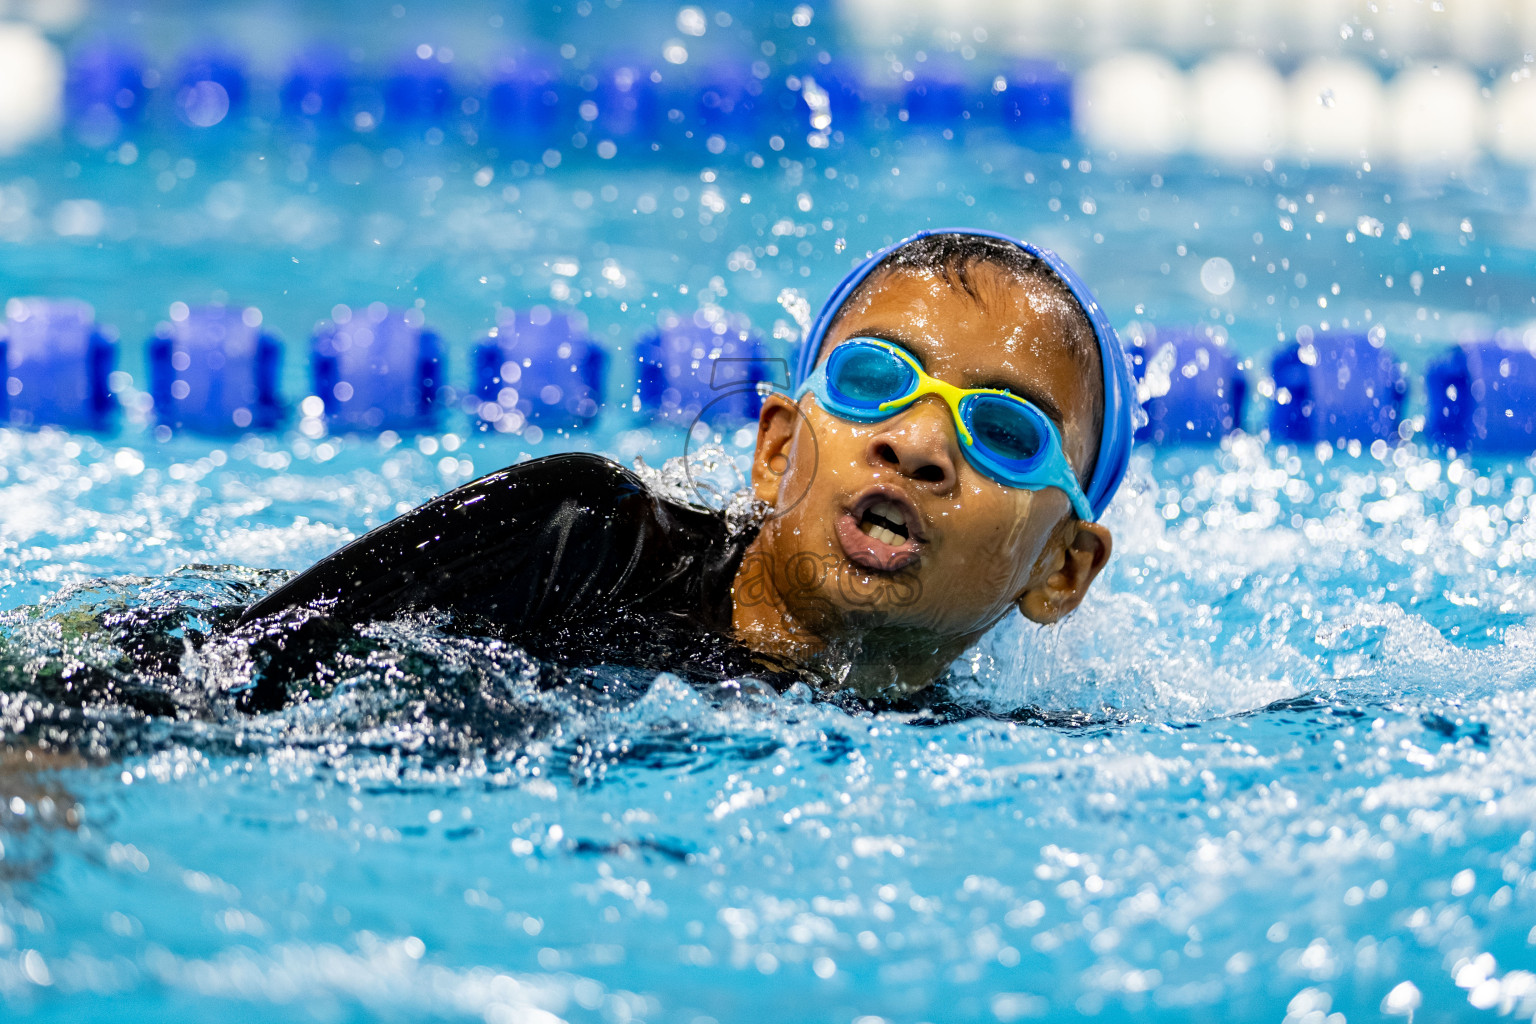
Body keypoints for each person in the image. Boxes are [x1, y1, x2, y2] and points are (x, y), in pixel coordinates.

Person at [235, 229, 1134, 709]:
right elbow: (215, 667)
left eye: (1005, 432)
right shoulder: (582, 538)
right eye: (876, 382)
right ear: (780, 450)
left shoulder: (988, 752)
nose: (919, 446)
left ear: (1062, 569)